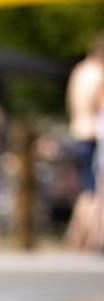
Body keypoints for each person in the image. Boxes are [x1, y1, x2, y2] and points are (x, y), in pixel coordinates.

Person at [66, 34, 104, 195]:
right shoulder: (99, 73)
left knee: (87, 188)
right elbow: (98, 104)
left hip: (77, 130)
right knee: (95, 189)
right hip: (93, 134)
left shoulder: (79, 70)